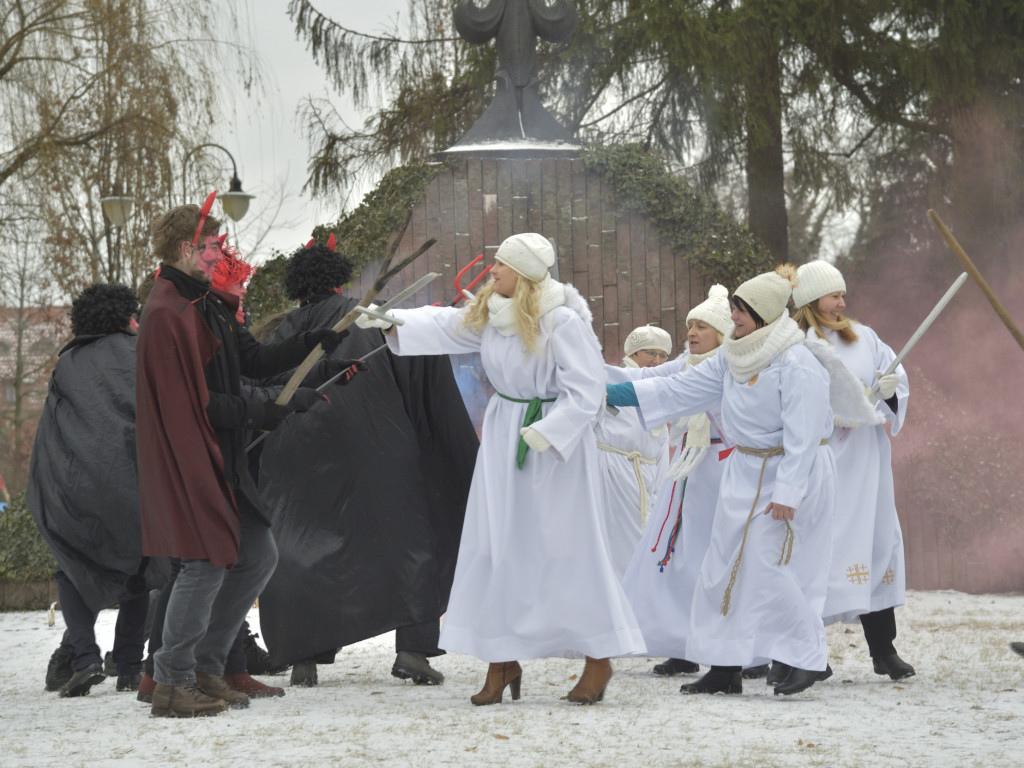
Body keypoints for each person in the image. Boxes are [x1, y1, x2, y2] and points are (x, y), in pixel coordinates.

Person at [359, 232, 645, 705]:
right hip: (504, 439)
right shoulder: (492, 314)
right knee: (499, 545)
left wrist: (551, 431)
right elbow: (445, 324)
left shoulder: (561, 320)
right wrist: (391, 321)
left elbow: (588, 388)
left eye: (502, 265)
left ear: (526, 273)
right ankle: (502, 657)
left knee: (567, 546)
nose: (492, 271)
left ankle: (598, 657)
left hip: (554, 450)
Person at [135, 200, 343, 717]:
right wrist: (269, 411)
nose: (218, 256)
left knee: (256, 554)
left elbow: (251, 359)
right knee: (205, 562)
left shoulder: (204, 302)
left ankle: (207, 668)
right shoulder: (167, 312)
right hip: (192, 455)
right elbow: (196, 405)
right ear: (185, 248)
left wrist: (309, 343)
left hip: (221, 453)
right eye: (211, 247)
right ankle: (172, 681)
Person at [255, 239, 478, 688]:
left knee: (304, 550)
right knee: (411, 540)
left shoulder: (278, 334)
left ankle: (305, 656)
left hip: (295, 456)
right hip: (379, 447)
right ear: (340, 279)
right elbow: (420, 367)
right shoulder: (371, 318)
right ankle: (413, 649)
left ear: (298, 287)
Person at [606, 265, 837, 696]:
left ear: (762, 314)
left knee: (765, 565)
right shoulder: (732, 357)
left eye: (740, 311)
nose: (733, 319)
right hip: (744, 470)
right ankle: (724, 666)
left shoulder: (796, 361)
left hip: (789, 470)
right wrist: (607, 392)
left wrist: (789, 491)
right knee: (720, 568)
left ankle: (807, 656)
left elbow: (804, 435)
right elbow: (678, 388)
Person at [28, 283, 170, 697]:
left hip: (75, 489)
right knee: (140, 570)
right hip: (133, 484)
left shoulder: (67, 363)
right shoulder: (140, 354)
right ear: (127, 317)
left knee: (70, 567)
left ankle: (86, 658)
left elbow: (51, 432)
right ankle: (127, 664)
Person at [792, 259, 915, 681]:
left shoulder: (865, 338)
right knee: (820, 549)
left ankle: (883, 649)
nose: (843, 302)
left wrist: (888, 393)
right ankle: (808, 655)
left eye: (843, 294)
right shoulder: (795, 345)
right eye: (834, 295)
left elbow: (896, 379)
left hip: (867, 460)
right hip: (824, 457)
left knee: (876, 541)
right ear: (811, 300)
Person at [610, 286, 735, 678]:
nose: (692, 332)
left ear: (723, 333)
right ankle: (681, 644)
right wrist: (584, 376)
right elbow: (644, 379)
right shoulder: (684, 366)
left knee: (723, 559)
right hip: (685, 473)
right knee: (679, 558)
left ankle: (743, 652)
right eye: (690, 325)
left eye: (702, 326)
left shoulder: (736, 366)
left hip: (724, 470)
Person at [594, 325, 674, 577]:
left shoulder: (661, 391)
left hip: (645, 480)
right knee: (615, 547)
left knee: (643, 544)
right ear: (633, 353)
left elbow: (661, 446)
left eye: (663, 356)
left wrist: (659, 492)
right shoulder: (608, 382)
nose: (657, 361)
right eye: (650, 353)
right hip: (610, 476)